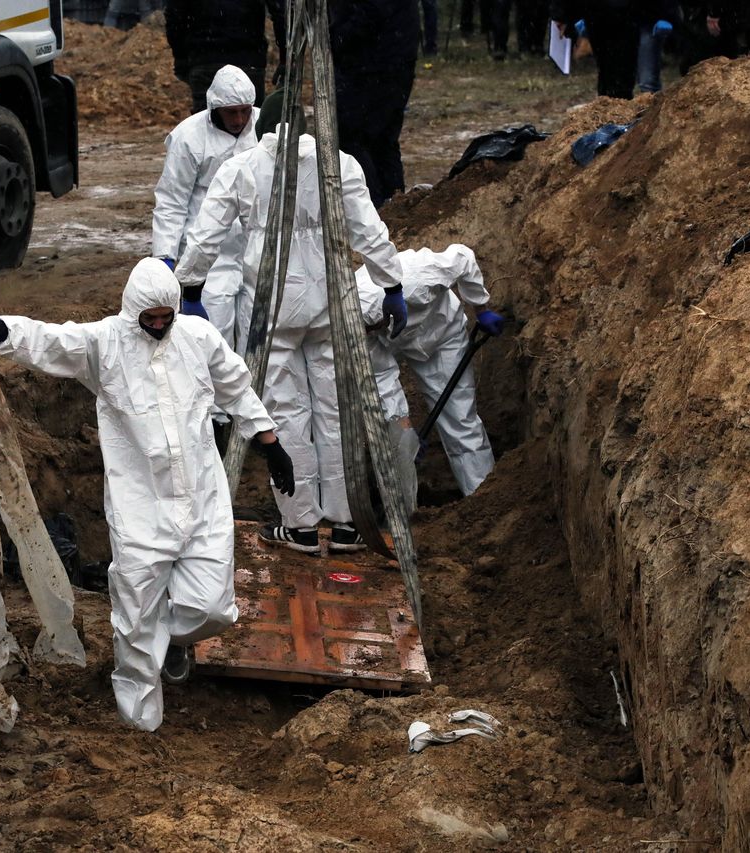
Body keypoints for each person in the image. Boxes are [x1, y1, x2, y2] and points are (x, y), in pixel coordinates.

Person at [0, 258, 294, 733]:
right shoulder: (104, 343)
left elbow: (235, 386)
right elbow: (49, 340)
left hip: (201, 498)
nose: (157, 327)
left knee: (212, 610)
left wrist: (268, 441)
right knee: (134, 621)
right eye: (148, 319)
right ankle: (139, 728)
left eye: (164, 319)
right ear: (132, 310)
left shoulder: (198, 339)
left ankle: (171, 642)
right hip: (139, 507)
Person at [175, 91, 407, 555]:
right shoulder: (337, 164)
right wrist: (392, 284)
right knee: (335, 410)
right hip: (327, 300)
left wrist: (191, 289)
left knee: (285, 413)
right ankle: (346, 523)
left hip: (272, 305)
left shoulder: (242, 168)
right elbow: (368, 230)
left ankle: (299, 524)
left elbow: (205, 236)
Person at [355, 245, 505, 496]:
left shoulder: (420, 276)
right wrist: (405, 431)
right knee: (397, 440)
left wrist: (481, 308)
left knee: (460, 421)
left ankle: (483, 498)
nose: (370, 332)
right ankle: (404, 511)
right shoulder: (360, 325)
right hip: (397, 344)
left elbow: (464, 258)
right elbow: (382, 379)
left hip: (444, 335)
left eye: (374, 327)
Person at [152, 65, 260, 353]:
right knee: (214, 338)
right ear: (215, 108)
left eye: (244, 111)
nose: (239, 119)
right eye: (231, 112)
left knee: (258, 337)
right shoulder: (189, 137)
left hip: (256, 251)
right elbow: (172, 200)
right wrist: (166, 255)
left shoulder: (264, 128)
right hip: (210, 256)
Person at [329, 0, 421, 207]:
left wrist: (336, 38)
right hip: (390, 58)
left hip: (374, 64)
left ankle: (373, 208)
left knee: (354, 137)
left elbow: (368, 14)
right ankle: (395, 207)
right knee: (382, 139)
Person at [165, 0, 287, 113]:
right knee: (249, 125)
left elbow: (174, 17)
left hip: (206, 58)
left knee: (207, 126)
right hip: (247, 58)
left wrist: (181, 58)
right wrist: (285, 57)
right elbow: (281, 12)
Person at [552, 0, 679, 99]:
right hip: (603, 16)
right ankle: (613, 119)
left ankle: (649, 121)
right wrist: (564, 14)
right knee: (610, 77)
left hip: (641, 16)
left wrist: (667, 13)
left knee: (644, 80)